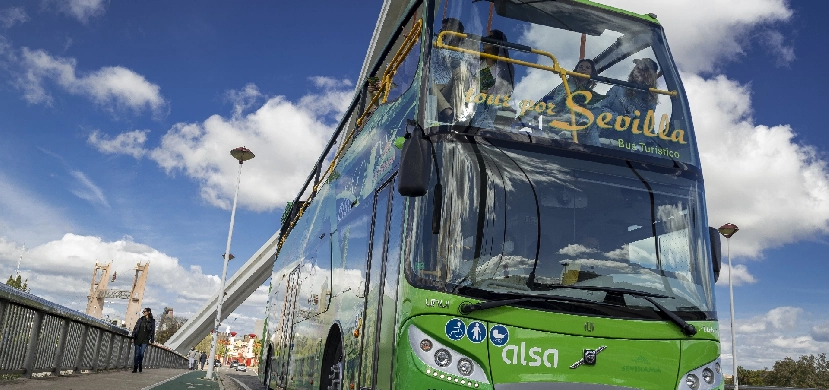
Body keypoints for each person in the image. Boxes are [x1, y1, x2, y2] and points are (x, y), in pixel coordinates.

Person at [468, 29, 516, 128]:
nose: (485, 40)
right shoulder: (476, 61)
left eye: (490, 38)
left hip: (492, 103)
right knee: (481, 99)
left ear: (498, 43)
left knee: (491, 100)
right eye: (486, 37)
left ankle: (480, 127)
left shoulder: (505, 67)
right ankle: (485, 129)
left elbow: (506, 91)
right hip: (471, 97)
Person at [131, 307, 155, 373]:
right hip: (138, 339)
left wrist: (152, 341)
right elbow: (135, 328)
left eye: (144, 311)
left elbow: (152, 331)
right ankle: (135, 367)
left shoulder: (152, 321)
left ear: (148, 312)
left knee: (141, 354)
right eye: (143, 312)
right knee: (136, 354)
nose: (143, 313)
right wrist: (133, 337)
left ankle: (140, 364)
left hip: (145, 340)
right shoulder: (140, 319)